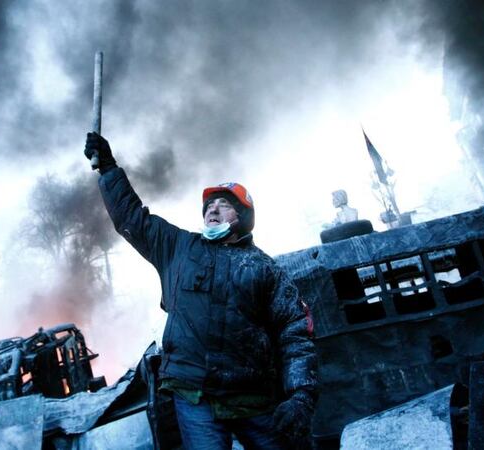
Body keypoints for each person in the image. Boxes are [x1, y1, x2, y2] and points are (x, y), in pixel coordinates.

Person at [84, 132, 317, 449]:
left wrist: (300, 394)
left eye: (225, 204)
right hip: (195, 397)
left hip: (254, 397)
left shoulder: (264, 268)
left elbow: (294, 330)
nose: (213, 209)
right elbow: (131, 218)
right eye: (209, 205)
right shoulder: (177, 248)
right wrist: (109, 168)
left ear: (244, 217)